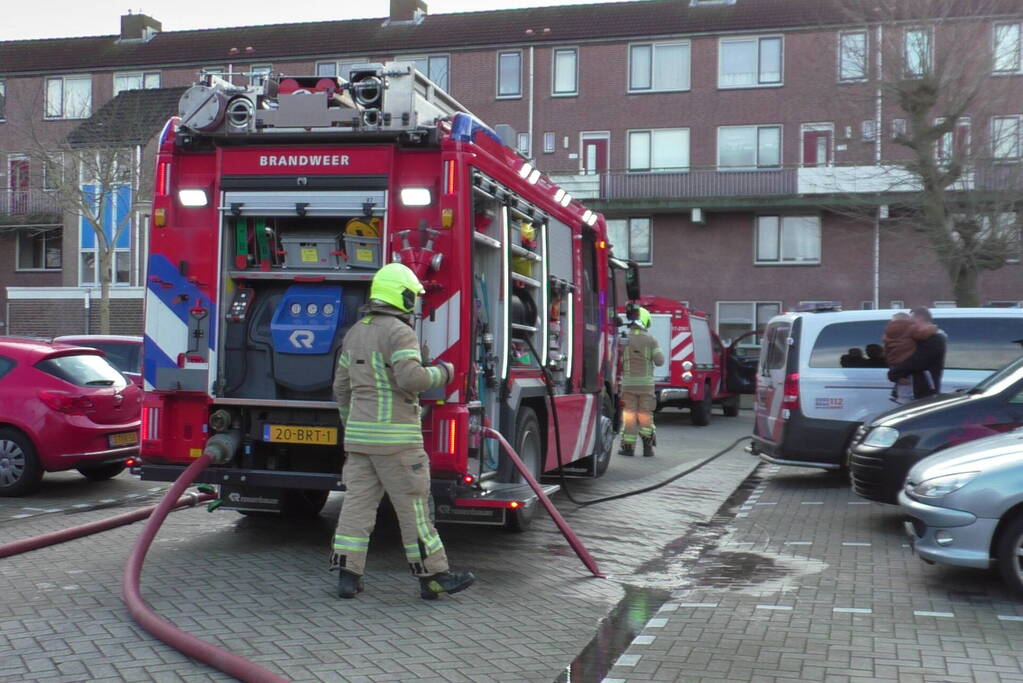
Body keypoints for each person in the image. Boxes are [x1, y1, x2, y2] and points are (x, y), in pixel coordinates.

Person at [330, 262, 475, 600]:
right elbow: (411, 379)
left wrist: (350, 423)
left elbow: (341, 388)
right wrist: (443, 372)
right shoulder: (399, 332)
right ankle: (434, 577)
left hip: (360, 440)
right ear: (402, 295)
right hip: (397, 443)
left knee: (356, 507)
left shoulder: (355, 333)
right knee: (414, 510)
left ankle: (347, 577)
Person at [619, 305, 665, 457]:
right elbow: (660, 361)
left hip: (628, 384)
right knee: (645, 415)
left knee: (629, 416)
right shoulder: (651, 339)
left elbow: (616, 359)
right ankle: (648, 448)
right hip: (646, 385)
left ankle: (628, 448)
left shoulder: (623, 338)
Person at [887, 307, 946, 400]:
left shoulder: (935, 338)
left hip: (922, 392)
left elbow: (917, 361)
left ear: (920, 318)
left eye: (912, 320)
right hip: (913, 391)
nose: (909, 324)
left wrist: (894, 374)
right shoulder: (916, 337)